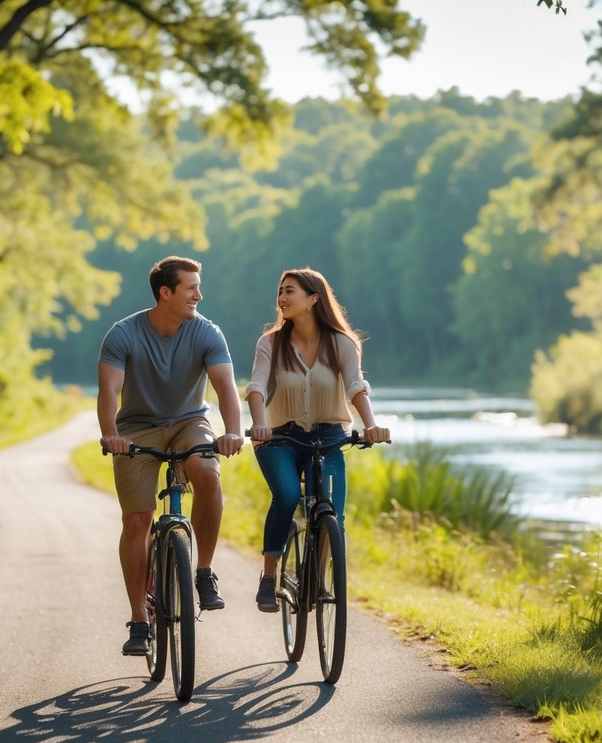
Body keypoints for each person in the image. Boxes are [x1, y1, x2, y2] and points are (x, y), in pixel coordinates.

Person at [98, 255, 245, 656]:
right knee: (138, 520)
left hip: (188, 422)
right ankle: (139, 621)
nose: (199, 294)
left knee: (208, 475)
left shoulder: (206, 332)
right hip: (136, 430)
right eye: (191, 287)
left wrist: (232, 431)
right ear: (166, 293)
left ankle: (203, 572)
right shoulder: (123, 334)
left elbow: (225, 387)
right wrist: (111, 436)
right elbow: (109, 392)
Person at [245, 267, 390, 612]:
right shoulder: (271, 344)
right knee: (287, 494)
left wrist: (371, 424)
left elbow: (356, 386)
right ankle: (269, 576)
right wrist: (259, 424)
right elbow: (256, 388)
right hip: (279, 438)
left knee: (332, 519)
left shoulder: (341, 343)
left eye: (289, 291)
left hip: (327, 438)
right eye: (279, 291)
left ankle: (319, 579)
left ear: (313, 299)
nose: (281, 298)